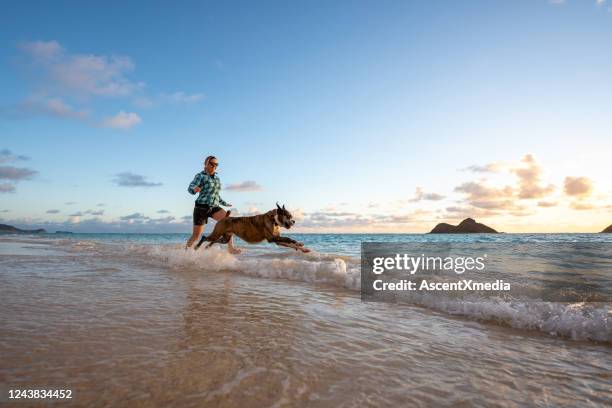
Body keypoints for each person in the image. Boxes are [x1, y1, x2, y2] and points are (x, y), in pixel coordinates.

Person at [185, 155, 241, 254]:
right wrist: (194, 189)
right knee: (196, 236)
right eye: (212, 163)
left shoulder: (217, 179)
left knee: (229, 222)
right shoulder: (200, 176)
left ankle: (231, 248)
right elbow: (191, 187)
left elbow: (216, 195)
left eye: (216, 164)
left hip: (214, 207)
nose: (214, 166)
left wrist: (224, 203)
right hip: (201, 208)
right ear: (206, 164)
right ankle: (185, 253)